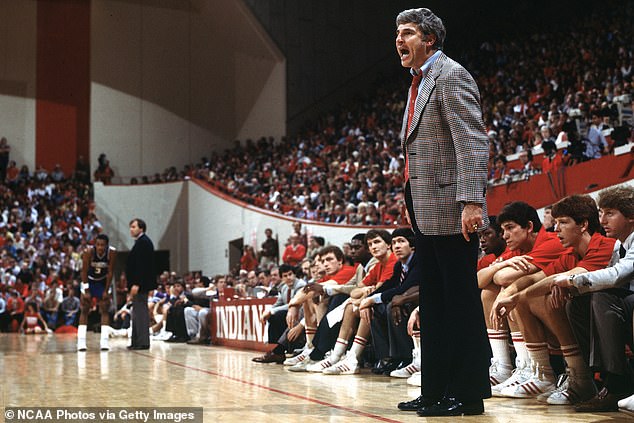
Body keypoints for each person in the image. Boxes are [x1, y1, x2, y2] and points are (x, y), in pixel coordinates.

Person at [394, 8, 491, 417]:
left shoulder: (450, 75)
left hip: (453, 209)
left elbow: (472, 142)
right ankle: (434, 389)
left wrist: (472, 200)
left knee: (460, 305)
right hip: (425, 209)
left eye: (408, 32)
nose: (399, 39)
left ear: (429, 39)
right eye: (397, 33)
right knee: (434, 305)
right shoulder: (419, 82)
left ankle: (467, 395)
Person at [77, 234, 117, 351]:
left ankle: (104, 342)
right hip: (89, 280)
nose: (100, 247)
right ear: (95, 245)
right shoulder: (88, 252)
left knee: (104, 308)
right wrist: (87, 290)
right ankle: (81, 342)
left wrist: (106, 290)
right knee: (84, 308)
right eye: (98, 245)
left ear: (107, 245)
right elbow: (84, 272)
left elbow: (110, 273)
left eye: (102, 245)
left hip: (103, 281)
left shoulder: (112, 253)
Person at [125, 218, 156, 350]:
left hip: (140, 284)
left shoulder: (144, 243)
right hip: (138, 284)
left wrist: (137, 283)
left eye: (133, 227)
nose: (131, 229)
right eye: (130, 227)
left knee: (141, 312)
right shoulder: (140, 242)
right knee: (136, 312)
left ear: (141, 228)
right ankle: (136, 341)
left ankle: (143, 342)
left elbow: (142, 266)